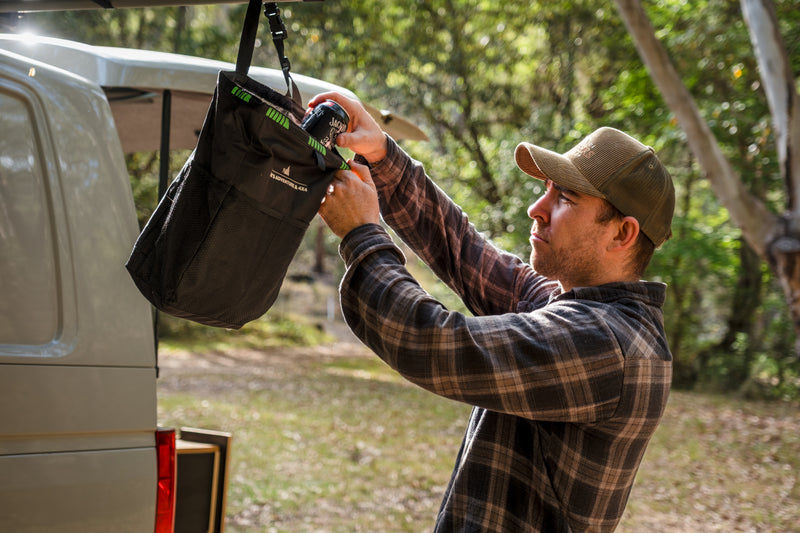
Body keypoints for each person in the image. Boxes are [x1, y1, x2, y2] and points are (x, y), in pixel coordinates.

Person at [311, 91, 675, 533]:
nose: (536, 210)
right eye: (546, 191)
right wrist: (383, 154)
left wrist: (362, 233)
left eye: (566, 199)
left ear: (622, 233)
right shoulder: (574, 307)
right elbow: (463, 250)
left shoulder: (609, 345)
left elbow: (433, 344)